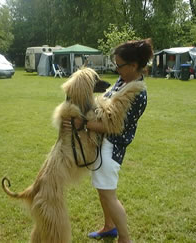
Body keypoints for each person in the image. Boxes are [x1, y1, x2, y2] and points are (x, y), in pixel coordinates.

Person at [63, 39, 153, 243]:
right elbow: (103, 107)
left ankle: (125, 238)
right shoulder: (124, 81)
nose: (116, 68)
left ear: (133, 66)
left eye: (119, 65)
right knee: (103, 192)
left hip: (112, 149)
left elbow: (114, 127)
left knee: (109, 195)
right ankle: (109, 227)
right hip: (103, 145)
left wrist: (83, 124)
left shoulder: (138, 93)